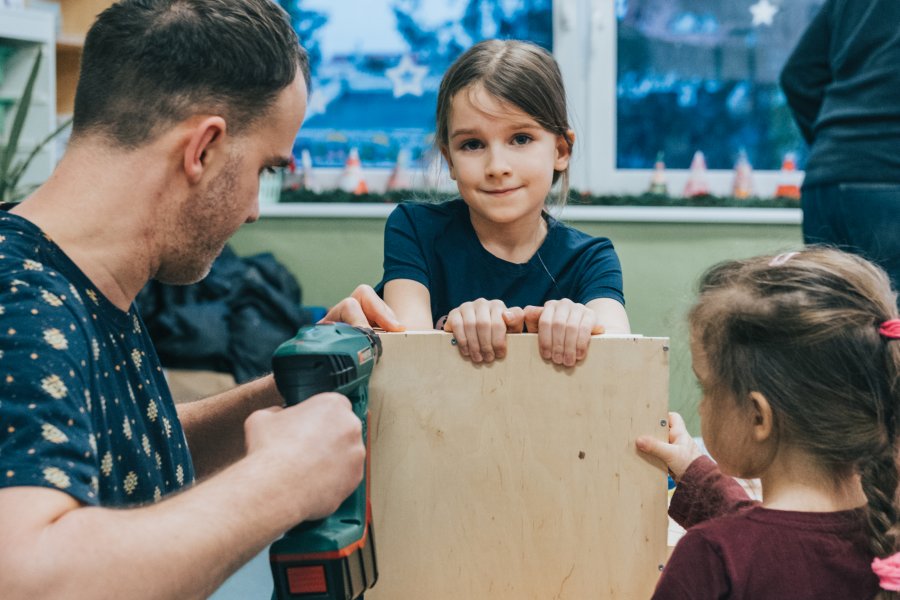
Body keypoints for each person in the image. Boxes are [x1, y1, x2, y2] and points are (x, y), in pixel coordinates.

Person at [0, 1, 401, 598]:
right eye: (265, 169)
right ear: (203, 149)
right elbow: (30, 578)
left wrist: (291, 387)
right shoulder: (22, 300)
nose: (254, 210)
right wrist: (280, 481)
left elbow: (117, 449)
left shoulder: (74, 276)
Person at [635, 247, 900, 598]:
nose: (701, 406)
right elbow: (788, 539)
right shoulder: (887, 538)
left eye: (707, 388)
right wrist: (694, 472)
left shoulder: (711, 558)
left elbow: (769, 545)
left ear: (758, 415)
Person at [376, 39, 630, 368]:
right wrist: (451, 333)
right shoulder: (414, 229)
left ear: (561, 151)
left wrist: (580, 325)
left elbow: (623, 361)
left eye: (521, 139)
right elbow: (405, 361)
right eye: (472, 144)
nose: (497, 166)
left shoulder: (591, 259)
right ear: (449, 159)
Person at [780, 0, 900, 302]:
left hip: (827, 182)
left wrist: (835, 144)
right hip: (888, 181)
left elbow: (798, 75)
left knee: (837, 329)